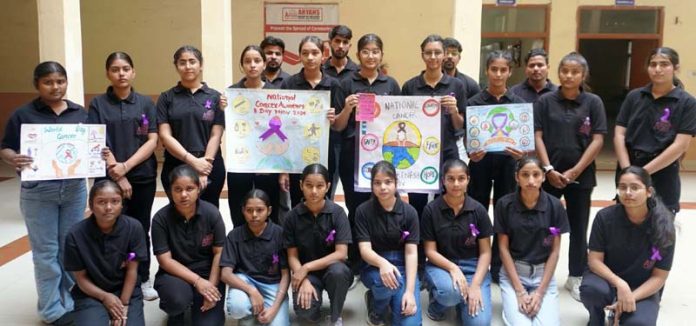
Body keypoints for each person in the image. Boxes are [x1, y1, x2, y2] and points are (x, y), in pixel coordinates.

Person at [0, 61, 87, 324]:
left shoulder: (79, 113)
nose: (55, 87)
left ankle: (70, 299)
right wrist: (13, 158)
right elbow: (5, 147)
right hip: (38, 190)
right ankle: (51, 310)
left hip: (73, 189)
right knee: (45, 252)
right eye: (48, 82)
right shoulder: (23, 114)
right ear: (37, 84)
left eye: (60, 81)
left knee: (69, 247)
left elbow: (91, 144)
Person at [535, 52, 607, 301]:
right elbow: (537, 136)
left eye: (575, 72)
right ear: (558, 72)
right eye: (565, 70)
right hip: (549, 175)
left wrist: (575, 170)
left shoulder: (593, 102)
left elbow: (598, 139)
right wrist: (548, 169)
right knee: (544, 226)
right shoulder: (545, 101)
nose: (569, 75)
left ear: (583, 75)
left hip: (581, 177)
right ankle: (538, 274)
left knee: (578, 227)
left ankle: (576, 276)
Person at [87, 51, 159, 300]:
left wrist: (126, 168)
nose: (121, 73)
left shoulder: (145, 103)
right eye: (115, 69)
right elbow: (98, 141)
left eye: (126, 68)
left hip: (142, 177)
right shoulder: (98, 104)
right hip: (108, 179)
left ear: (133, 72)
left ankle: (142, 277)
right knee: (110, 227)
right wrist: (117, 175)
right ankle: (112, 277)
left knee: (140, 227)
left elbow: (152, 140)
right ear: (108, 73)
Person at [333, 33, 401, 273]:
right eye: (366, 51)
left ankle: (382, 255)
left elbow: (398, 119)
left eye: (375, 51)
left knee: (384, 204)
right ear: (358, 54)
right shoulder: (345, 84)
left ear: (381, 54)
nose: (370, 56)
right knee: (357, 207)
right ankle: (356, 259)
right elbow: (338, 127)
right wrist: (347, 109)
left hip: (383, 156)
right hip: (353, 155)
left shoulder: (391, 84)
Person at [580, 166, 676, 326]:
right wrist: (620, 284)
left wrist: (631, 296)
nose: (628, 193)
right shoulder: (604, 217)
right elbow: (594, 261)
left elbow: (659, 276)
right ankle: (596, 318)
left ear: (649, 191)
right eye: (623, 187)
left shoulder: (664, 226)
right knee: (592, 291)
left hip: (642, 285)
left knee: (640, 324)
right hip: (606, 278)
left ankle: (622, 312)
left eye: (635, 187)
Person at [467, 50, 527, 284]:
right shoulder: (474, 102)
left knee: (505, 212)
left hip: (508, 164)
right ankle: (475, 261)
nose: (498, 74)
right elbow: (469, 139)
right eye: (494, 69)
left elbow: (523, 139)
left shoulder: (519, 105)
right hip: (481, 164)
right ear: (487, 71)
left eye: (503, 70)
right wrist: (472, 151)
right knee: (477, 211)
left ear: (510, 72)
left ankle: (499, 266)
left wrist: (521, 152)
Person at [614, 47, 696, 214]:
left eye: (664, 64)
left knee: (659, 233)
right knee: (624, 230)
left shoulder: (687, 103)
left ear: (676, 68)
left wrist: (642, 174)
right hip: (629, 167)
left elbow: (680, 145)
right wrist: (628, 172)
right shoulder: (634, 97)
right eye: (653, 64)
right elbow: (619, 134)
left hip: (662, 173)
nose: (658, 69)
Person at [495, 157, 569, 326]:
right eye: (525, 175)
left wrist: (540, 293)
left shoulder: (555, 205)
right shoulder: (504, 204)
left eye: (536, 175)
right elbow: (503, 249)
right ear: (516, 177)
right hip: (513, 273)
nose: (530, 180)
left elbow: (555, 251)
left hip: (543, 275)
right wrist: (519, 291)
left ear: (543, 177)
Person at [64, 180, 147, 326]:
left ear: (122, 204)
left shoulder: (134, 228)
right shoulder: (75, 234)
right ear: (91, 205)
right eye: (101, 202)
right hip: (91, 292)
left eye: (115, 201)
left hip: (126, 289)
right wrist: (104, 297)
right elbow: (81, 278)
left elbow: (132, 270)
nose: (108, 207)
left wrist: (123, 304)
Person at [151, 165, 226, 325]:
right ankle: (177, 310)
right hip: (174, 274)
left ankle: (196, 301)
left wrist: (211, 288)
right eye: (177, 189)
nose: (183, 194)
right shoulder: (160, 219)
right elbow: (165, 260)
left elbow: (219, 253)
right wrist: (197, 281)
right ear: (170, 191)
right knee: (177, 300)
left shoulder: (212, 213)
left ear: (198, 188)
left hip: (208, 274)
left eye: (189, 188)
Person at [401, 34, 467, 216]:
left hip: (447, 149)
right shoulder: (410, 86)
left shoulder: (457, 85)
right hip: (418, 152)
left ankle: (442, 240)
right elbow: (402, 120)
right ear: (422, 55)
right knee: (417, 201)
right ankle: (419, 241)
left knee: (448, 199)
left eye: (437, 52)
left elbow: (461, 125)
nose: (433, 57)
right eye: (428, 53)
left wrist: (454, 111)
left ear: (445, 54)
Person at [422, 159, 493, 325]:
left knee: (479, 323)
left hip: (473, 268)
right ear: (443, 180)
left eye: (461, 178)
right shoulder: (431, 210)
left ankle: (463, 302)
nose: (456, 184)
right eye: (450, 179)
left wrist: (475, 285)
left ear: (468, 179)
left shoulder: (478, 210)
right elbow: (430, 251)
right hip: (442, 266)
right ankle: (437, 304)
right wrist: (453, 268)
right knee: (450, 294)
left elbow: (485, 252)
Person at [283, 164, 352, 325]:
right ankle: (315, 306)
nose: (314, 191)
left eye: (319, 186)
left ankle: (336, 315)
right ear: (300, 185)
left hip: (332, 269)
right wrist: (304, 277)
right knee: (305, 311)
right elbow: (291, 255)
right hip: (307, 275)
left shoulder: (337, 213)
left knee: (339, 273)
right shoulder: (291, 217)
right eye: (309, 185)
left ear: (328, 187)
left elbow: (341, 254)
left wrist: (305, 268)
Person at [157, 45, 225, 208]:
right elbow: (165, 136)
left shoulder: (215, 97)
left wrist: (204, 167)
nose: (188, 66)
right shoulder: (166, 98)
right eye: (182, 62)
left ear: (201, 65)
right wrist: (193, 161)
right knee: (178, 213)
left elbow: (216, 134)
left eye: (192, 62)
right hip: (176, 164)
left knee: (208, 213)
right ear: (176, 67)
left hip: (210, 165)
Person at [354, 161, 421, 326]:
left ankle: (390, 298)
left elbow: (411, 253)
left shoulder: (410, 212)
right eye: (377, 183)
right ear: (372, 185)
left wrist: (410, 292)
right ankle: (377, 308)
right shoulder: (363, 211)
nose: (383, 187)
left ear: (396, 183)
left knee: (409, 322)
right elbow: (364, 250)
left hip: (403, 267)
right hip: (373, 265)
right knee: (389, 286)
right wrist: (383, 264)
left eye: (388, 182)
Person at [279, 35, 338, 208]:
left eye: (315, 53)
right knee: (298, 202)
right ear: (299, 56)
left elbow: (340, 124)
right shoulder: (289, 84)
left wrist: (334, 118)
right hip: (295, 156)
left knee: (325, 200)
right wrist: (283, 169)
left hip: (326, 154)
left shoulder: (334, 84)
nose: (310, 57)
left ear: (323, 55)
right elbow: (282, 125)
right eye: (305, 53)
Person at [226, 45, 281, 227]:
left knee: (268, 204)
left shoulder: (276, 93)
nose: (252, 65)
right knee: (238, 204)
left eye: (257, 61)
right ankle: (240, 244)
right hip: (241, 160)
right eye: (247, 61)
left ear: (264, 64)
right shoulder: (232, 93)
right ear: (241, 66)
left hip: (269, 161)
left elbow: (283, 128)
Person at [222, 189, 290, 326]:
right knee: (237, 308)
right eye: (249, 210)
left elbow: (286, 275)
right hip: (245, 281)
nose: (254, 215)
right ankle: (248, 315)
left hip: (273, 284)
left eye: (260, 210)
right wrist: (251, 290)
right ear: (243, 211)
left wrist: (274, 308)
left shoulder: (279, 234)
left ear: (269, 211)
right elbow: (225, 274)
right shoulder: (234, 235)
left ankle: (263, 307)